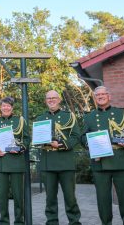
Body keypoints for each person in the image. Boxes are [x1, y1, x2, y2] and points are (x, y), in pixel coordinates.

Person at [82, 86, 124, 225]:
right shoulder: (89, 117)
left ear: (109, 96)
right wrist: (91, 145)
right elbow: (83, 137)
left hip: (120, 161)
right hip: (99, 163)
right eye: (97, 95)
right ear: (95, 98)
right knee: (103, 200)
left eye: (103, 94)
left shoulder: (122, 113)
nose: (100, 97)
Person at [36, 90, 81, 225]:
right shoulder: (40, 118)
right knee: (50, 199)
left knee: (70, 198)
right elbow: (37, 140)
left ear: (59, 99)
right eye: (48, 98)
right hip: (47, 163)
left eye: (54, 97)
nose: (51, 100)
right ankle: (51, 222)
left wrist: (61, 144)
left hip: (65, 162)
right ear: (45, 101)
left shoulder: (69, 116)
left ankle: (74, 222)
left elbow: (76, 136)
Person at [0, 96, 30, 225]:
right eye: (3, 106)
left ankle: (19, 221)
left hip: (16, 163)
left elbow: (27, 139)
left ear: (12, 107)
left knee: (18, 196)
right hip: (1, 163)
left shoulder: (20, 120)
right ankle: (4, 221)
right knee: (2, 196)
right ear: (0, 107)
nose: (6, 108)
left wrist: (19, 148)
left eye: (8, 106)